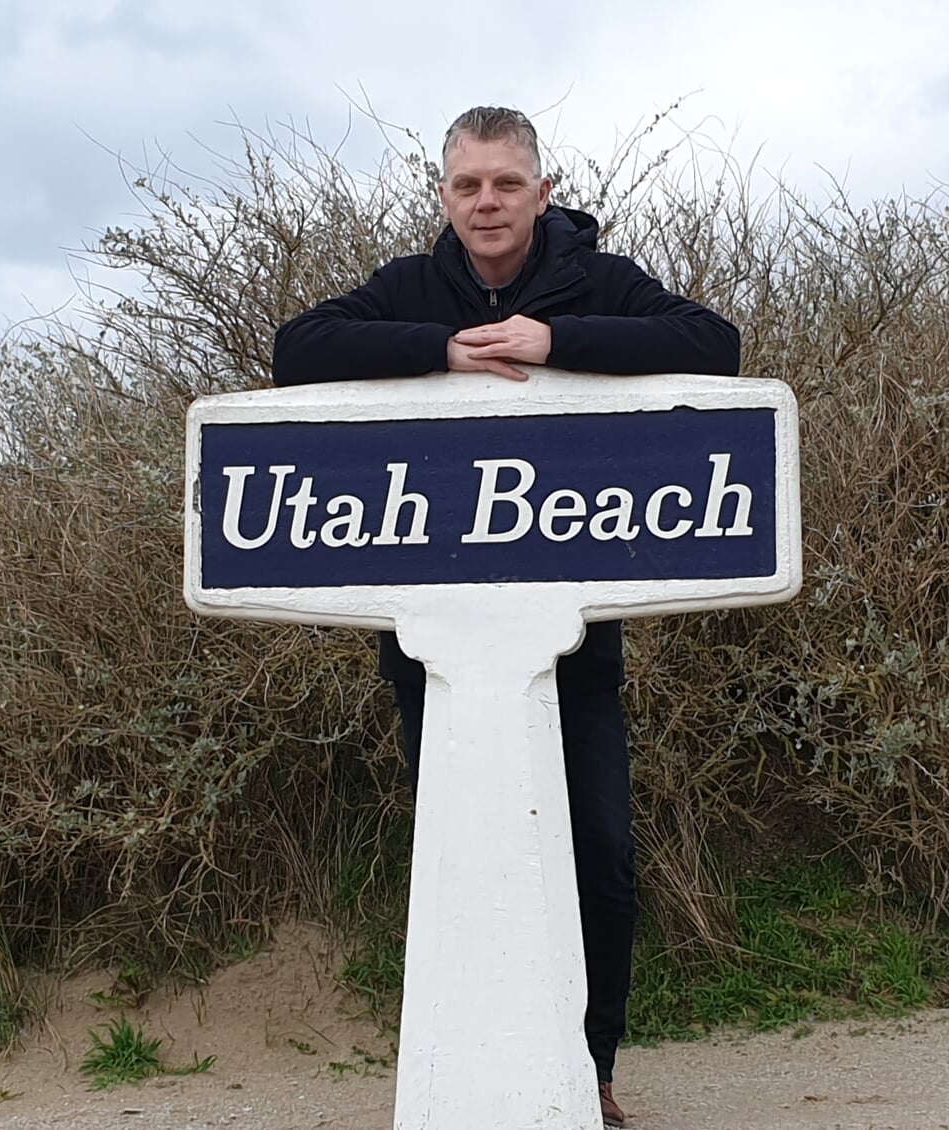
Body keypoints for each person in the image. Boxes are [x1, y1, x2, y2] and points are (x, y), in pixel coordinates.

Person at [272, 105, 741, 1127]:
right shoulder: (410, 284)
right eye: (467, 185)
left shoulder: (596, 276)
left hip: (572, 642)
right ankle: (476, 1073)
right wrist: (439, 348)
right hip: (436, 650)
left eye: (506, 183)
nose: (486, 202)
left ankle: (590, 1072)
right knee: (475, 858)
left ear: (540, 188)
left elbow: (715, 342)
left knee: (602, 861)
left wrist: (555, 338)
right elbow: (296, 347)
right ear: (445, 195)